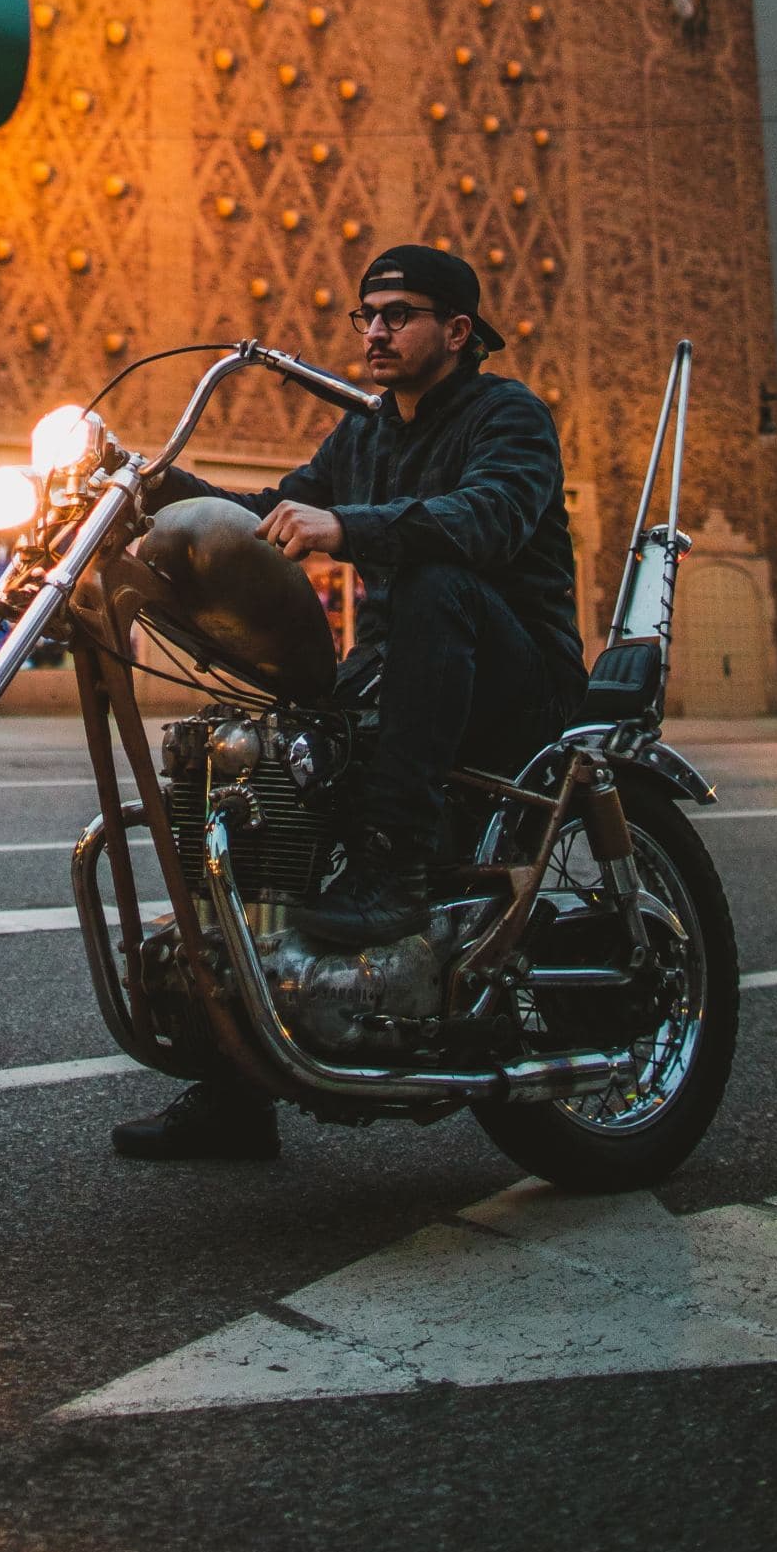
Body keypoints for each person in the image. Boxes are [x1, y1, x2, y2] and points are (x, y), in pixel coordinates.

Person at [112, 242, 588, 1164]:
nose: (375, 330)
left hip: (515, 680)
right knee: (257, 764)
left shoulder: (510, 416)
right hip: (404, 674)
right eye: (367, 314)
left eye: (398, 313)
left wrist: (350, 528)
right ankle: (237, 1082)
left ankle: (396, 869)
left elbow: (484, 521)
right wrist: (156, 488)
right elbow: (271, 514)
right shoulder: (366, 433)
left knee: (432, 576)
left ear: (455, 331)